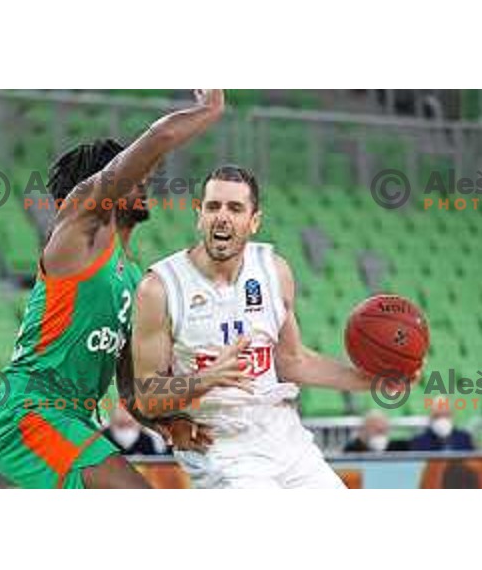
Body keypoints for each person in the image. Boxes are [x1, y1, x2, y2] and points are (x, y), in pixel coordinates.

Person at [0, 90, 231, 488]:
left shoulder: (135, 280)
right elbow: (157, 140)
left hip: (75, 417)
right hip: (27, 411)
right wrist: (209, 110)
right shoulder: (78, 232)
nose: (145, 181)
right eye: (135, 178)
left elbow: (131, 390)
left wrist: (168, 424)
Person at [132, 164, 419, 488]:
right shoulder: (159, 288)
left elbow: (293, 361)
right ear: (199, 214)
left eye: (235, 208)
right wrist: (205, 379)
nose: (222, 217)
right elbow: (146, 398)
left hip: (285, 436)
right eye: (213, 206)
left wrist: (374, 381)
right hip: (221, 445)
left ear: (254, 221)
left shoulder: (274, 270)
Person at [409, 402, 475, 452]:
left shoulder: (464, 439)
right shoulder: (419, 442)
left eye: (446, 415)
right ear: (431, 418)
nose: (442, 419)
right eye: (437, 416)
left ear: (452, 416)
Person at [344, 410, 408, 453]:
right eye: (374, 427)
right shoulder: (352, 449)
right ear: (365, 429)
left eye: (382, 429)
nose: (379, 430)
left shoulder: (398, 449)